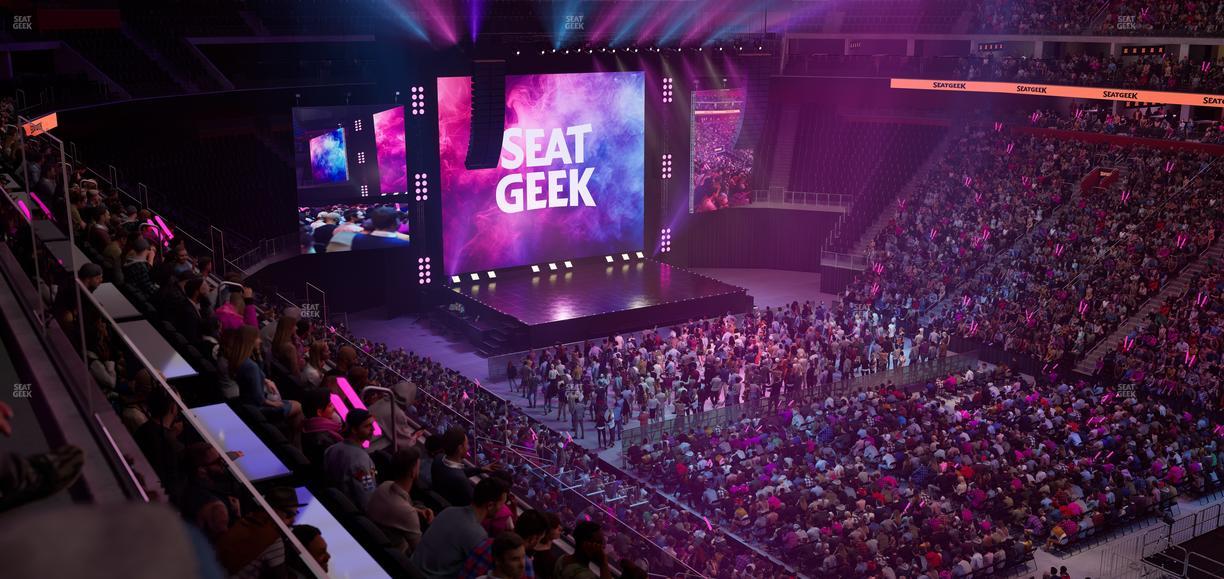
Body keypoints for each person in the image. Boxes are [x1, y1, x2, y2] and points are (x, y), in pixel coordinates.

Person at [412, 477, 508, 579]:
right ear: (490, 505)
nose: (502, 509)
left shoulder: (449, 510)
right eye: (502, 505)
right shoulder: (478, 535)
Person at [215, 486, 304, 578]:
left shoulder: (250, 518)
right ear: (273, 510)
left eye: (296, 514)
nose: (293, 521)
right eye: (289, 515)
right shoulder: (273, 539)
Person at [367, 447, 434, 554]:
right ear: (413, 472)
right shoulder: (407, 513)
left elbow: (394, 510)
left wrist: (418, 511)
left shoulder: (384, 486)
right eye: (418, 466)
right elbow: (419, 552)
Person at [461, 509, 548, 579]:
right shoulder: (526, 565)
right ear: (533, 539)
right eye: (540, 539)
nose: (521, 564)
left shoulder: (486, 543)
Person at [322, 408, 378, 509]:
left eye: (372, 425)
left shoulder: (331, 449)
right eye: (367, 426)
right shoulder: (362, 462)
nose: (372, 430)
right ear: (354, 430)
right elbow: (367, 497)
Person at [431, 426, 489, 507]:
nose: (468, 447)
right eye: (467, 444)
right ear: (460, 448)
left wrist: (481, 469)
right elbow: (474, 506)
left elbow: (455, 472)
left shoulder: (438, 458)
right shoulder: (461, 480)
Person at [529, 512, 563, 579]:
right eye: (555, 526)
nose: (560, 528)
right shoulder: (550, 560)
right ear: (547, 530)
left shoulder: (529, 546)